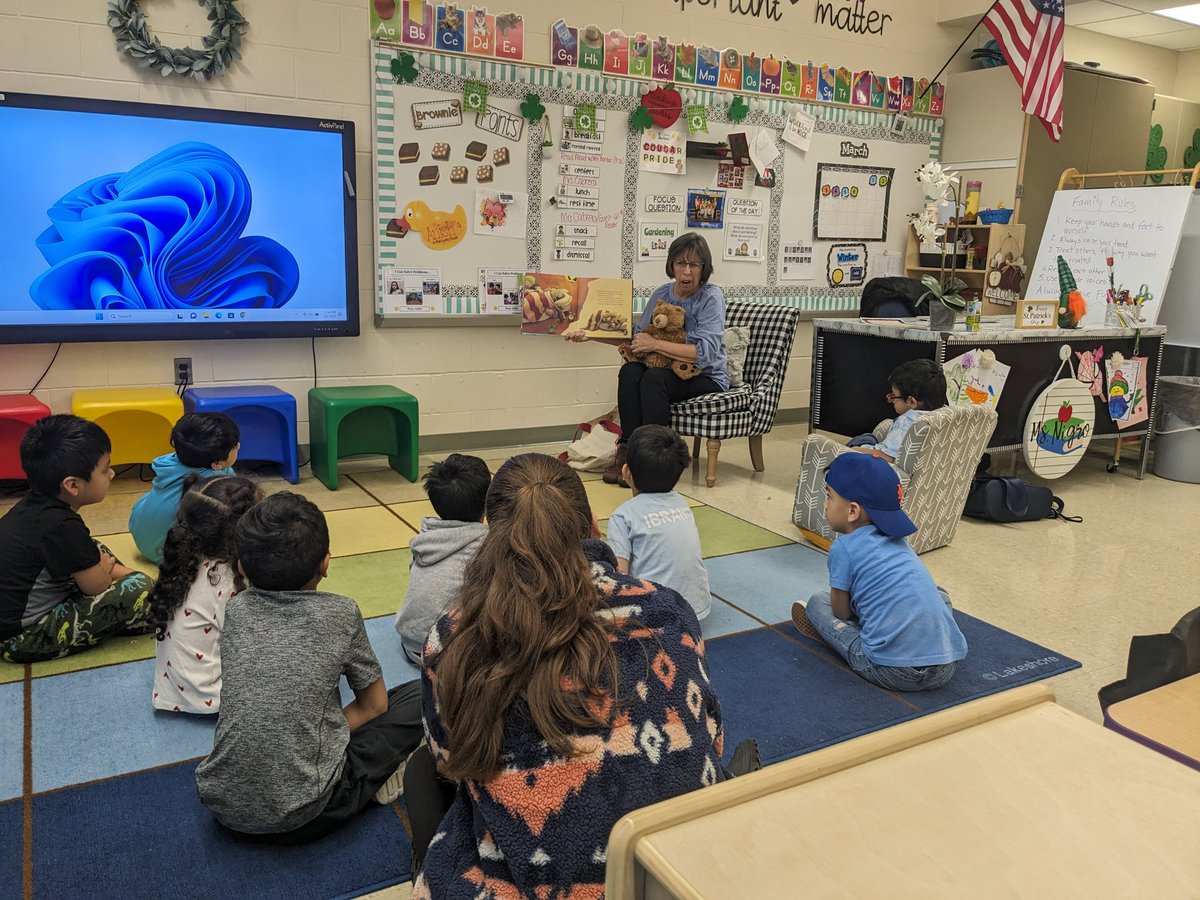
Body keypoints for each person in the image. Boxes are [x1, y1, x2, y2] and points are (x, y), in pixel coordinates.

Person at [406, 454, 735, 896]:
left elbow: (451, 759)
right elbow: (711, 735)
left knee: (423, 774)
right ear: (594, 527)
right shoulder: (669, 608)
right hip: (679, 876)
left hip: (536, 882)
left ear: (493, 538)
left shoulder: (455, 635)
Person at [195, 492, 423, 842]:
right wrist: (321, 733)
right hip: (309, 813)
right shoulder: (341, 613)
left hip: (222, 807)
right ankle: (375, 783)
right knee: (421, 692)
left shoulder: (237, 610)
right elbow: (375, 705)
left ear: (241, 567)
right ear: (326, 563)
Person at [791, 453, 967, 692]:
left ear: (852, 511)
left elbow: (841, 612)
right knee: (939, 594)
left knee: (818, 603)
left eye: (829, 497)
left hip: (893, 672)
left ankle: (845, 636)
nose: (825, 504)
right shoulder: (900, 541)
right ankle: (922, 634)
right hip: (946, 667)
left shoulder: (843, 548)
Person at [565, 232, 727, 488]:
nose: (686, 271)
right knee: (630, 371)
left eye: (693, 264)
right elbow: (637, 339)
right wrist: (590, 335)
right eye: (680, 263)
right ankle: (628, 453)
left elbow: (705, 352)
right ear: (671, 265)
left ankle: (656, 458)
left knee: (653, 379)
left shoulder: (711, 297)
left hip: (705, 375)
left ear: (703, 268)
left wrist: (654, 344)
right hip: (667, 371)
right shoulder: (663, 293)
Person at [0, 415, 155, 663]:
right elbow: (97, 587)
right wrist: (108, 571)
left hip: (16, 613)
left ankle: (132, 590)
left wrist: (107, 568)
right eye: (105, 470)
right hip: (23, 638)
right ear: (72, 485)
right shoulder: (63, 526)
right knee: (141, 589)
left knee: (93, 549)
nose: (112, 474)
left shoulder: (36, 505)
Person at [148, 474, 263, 714]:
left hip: (171, 690)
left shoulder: (185, 562)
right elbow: (252, 645)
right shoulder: (229, 581)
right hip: (212, 696)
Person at [394, 454, 491, 665]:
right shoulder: (487, 544)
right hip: (447, 653)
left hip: (411, 643)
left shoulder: (425, 537)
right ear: (487, 503)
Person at [607, 424, 710, 620]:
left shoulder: (623, 516)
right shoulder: (682, 502)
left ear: (626, 472)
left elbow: (619, 575)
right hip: (696, 609)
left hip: (653, 615)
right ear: (678, 475)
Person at [129, 412, 240, 565]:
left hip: (142, 538)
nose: (239, 446)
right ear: (216, 464)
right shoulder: (217, 484)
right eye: (235, 445)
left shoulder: (171, 460)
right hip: (168, 556)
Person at [848, 358, 947, 464]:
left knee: (862, 440)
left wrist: (855, 450)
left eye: (894, 396)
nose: (891, 400)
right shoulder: (942, 415)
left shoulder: (906, 422)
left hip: (878, 463)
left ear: (911, 402)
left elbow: (889, 457)